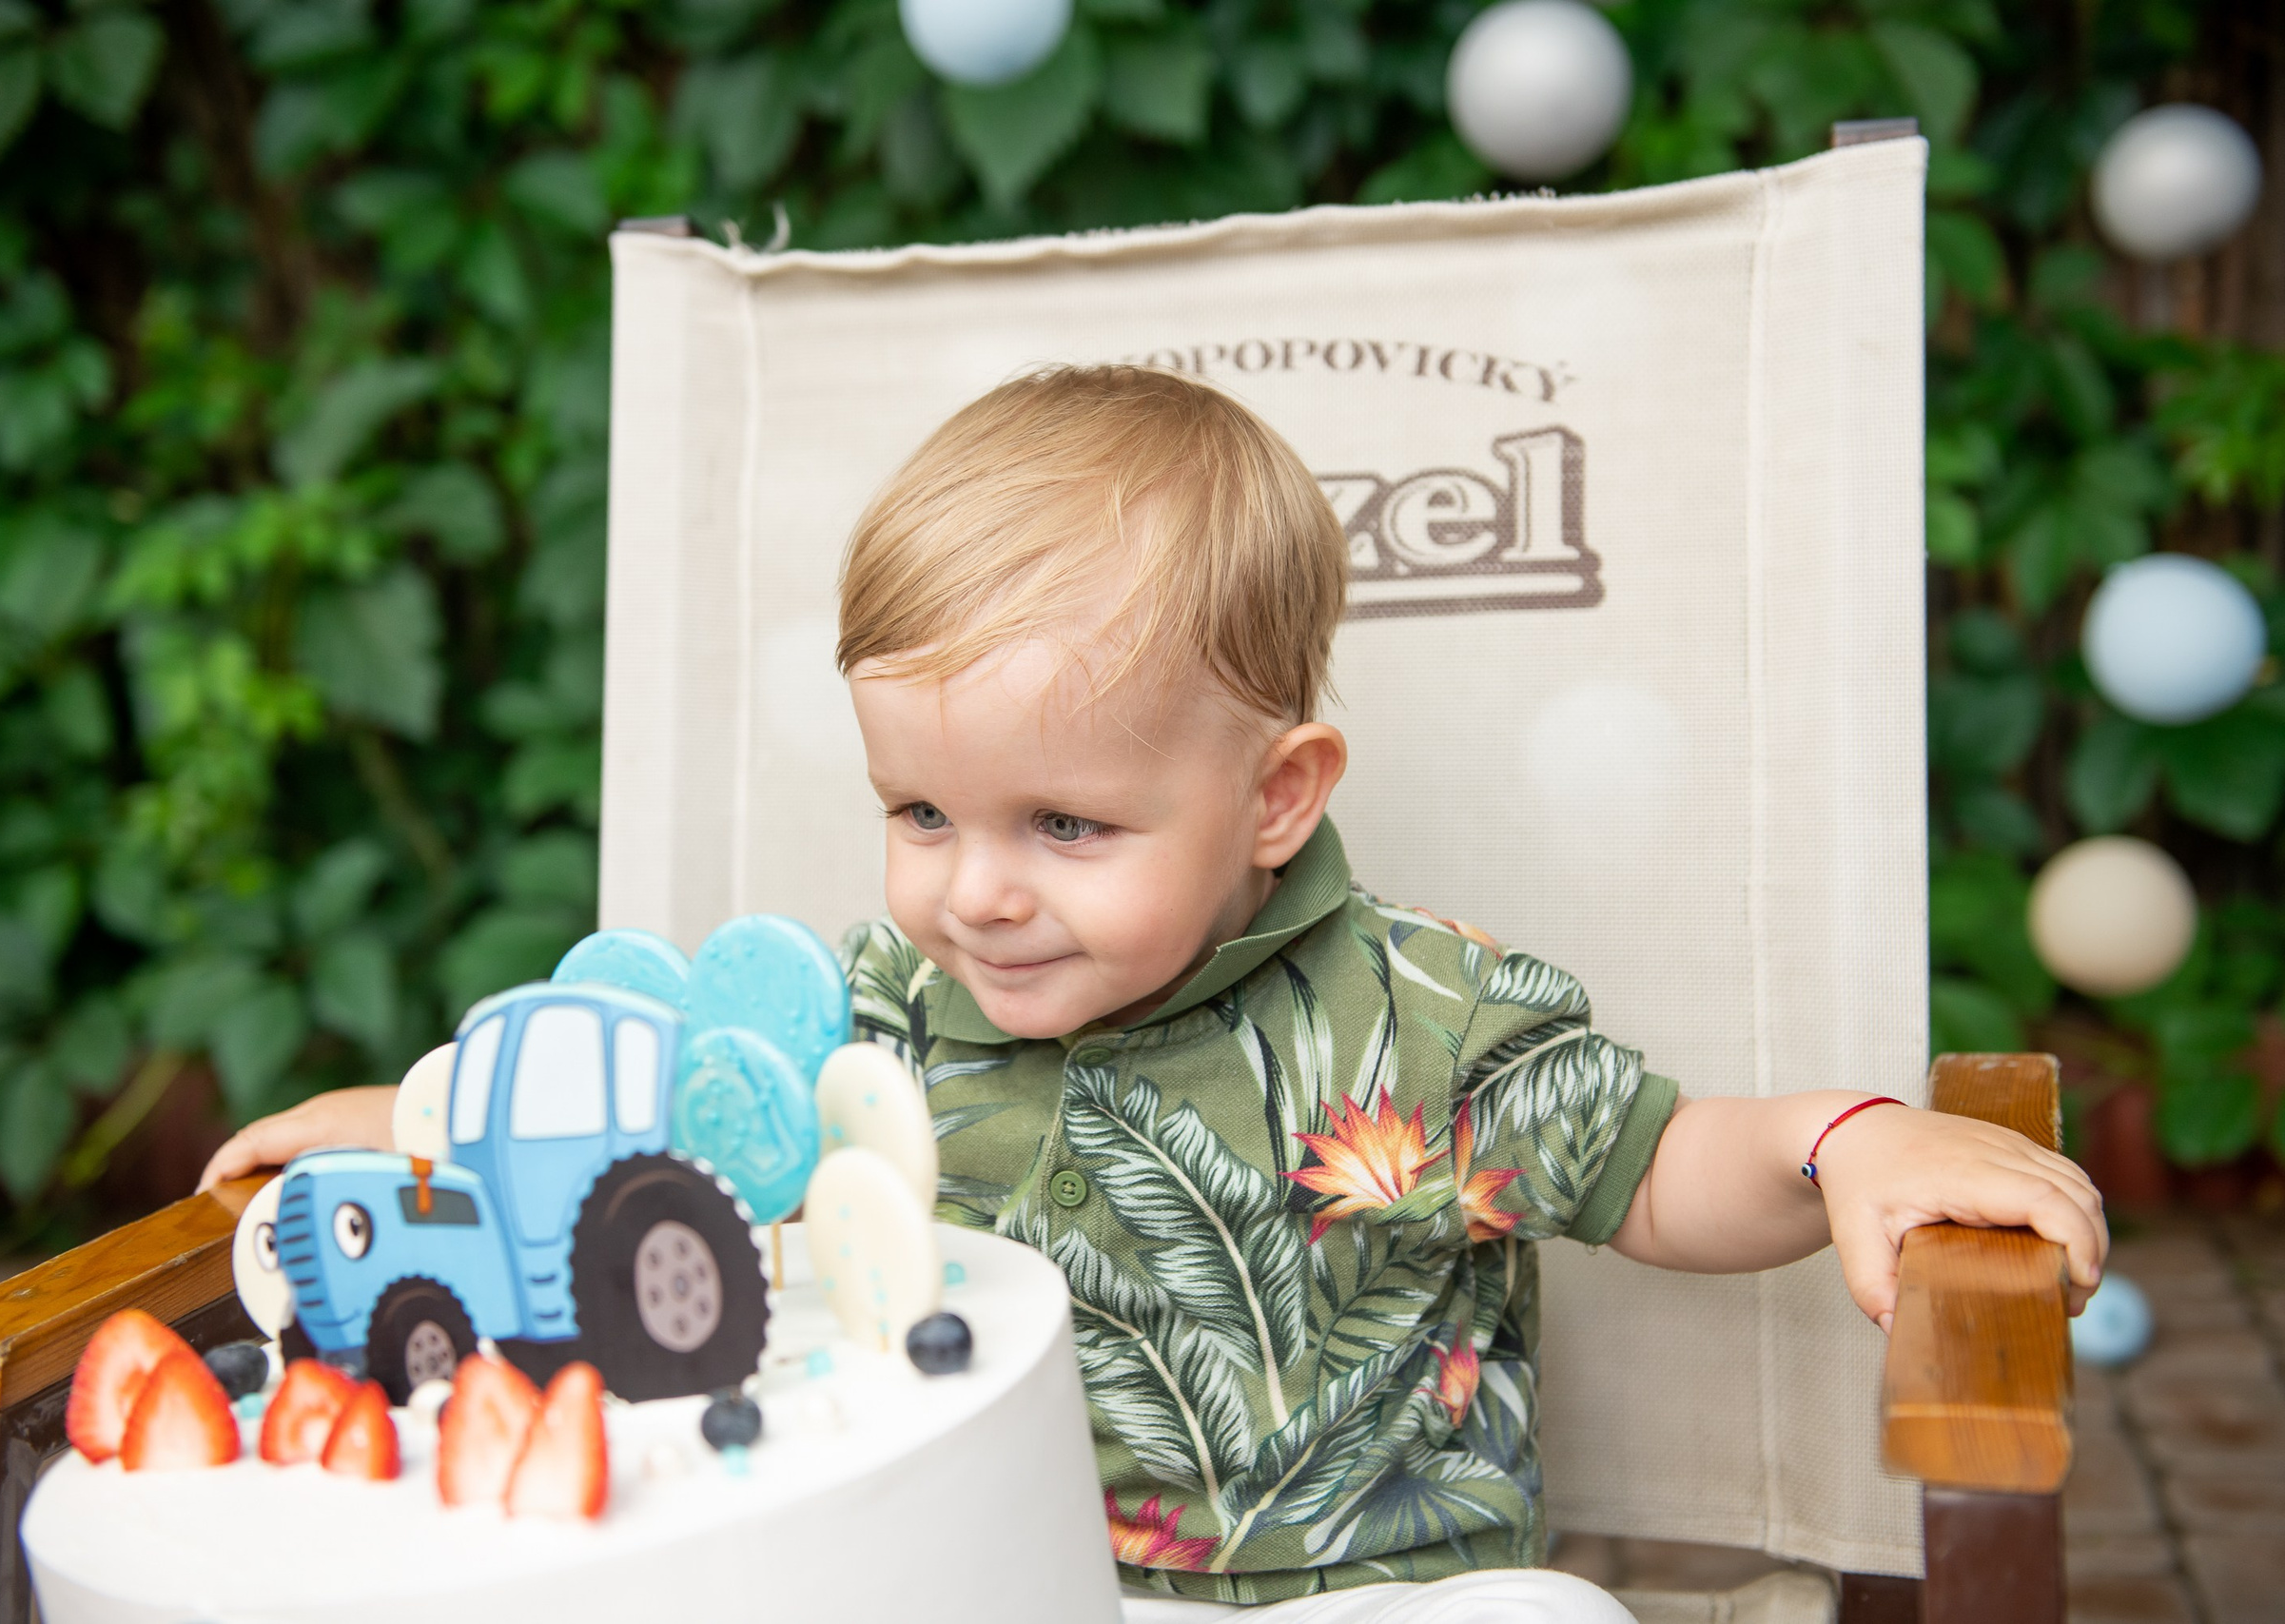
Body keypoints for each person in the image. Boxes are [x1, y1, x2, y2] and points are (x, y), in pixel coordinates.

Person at [205, 365, 2105, 1622]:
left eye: (1063, 819)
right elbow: (647, 1131)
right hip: (982, 1581)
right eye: (919, 810)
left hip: (1370, 1598)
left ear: (1274, 793)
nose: (976, 886)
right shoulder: (864, 1013)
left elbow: (1665, 1163)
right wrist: (410, 1122)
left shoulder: (1409, 1017)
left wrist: (1845, 1142)